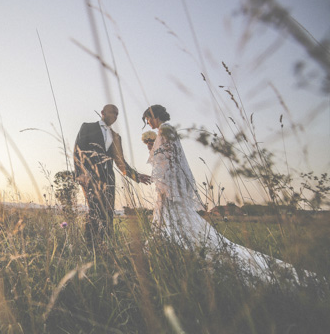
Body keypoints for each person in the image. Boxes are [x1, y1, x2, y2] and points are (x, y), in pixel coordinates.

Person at [143, 104, 311, 284]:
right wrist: (153, 148)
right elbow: (167, 155)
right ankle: (169, 247)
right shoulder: (167, 130)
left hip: (169, 185)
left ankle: (174, 250)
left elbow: (169, 157)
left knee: (172, 219)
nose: (147, 123)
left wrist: (160, 167)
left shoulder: (165, 129)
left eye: (147, 119)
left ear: (154, 116)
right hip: (170, 184)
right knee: (173, 219)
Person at [74, 104, 151, 244]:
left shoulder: (116, 136)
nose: (115, 116)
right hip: (89, 176)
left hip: (108, 178)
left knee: (108, 212)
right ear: (103, 112)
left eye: (117, 114)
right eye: (112, 112)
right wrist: (81, 174)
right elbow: (78, 150)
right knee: (94, 210)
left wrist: (136, 176)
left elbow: (120, 162)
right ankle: (91, 247)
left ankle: (106, 245)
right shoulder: (87, 127)